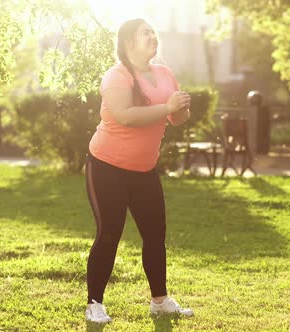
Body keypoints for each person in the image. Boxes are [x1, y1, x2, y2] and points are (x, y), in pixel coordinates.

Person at [84, 18, 193, 324]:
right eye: (146, 33)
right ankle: (94, 304)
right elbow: (125, 116)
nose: (153, 37)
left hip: (144, 170)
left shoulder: (164, 73)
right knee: (109, 235)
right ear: (129, 41)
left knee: (156, 235)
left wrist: (181, 108)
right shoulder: (116, 76)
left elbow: (176, 119)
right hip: (106, 168)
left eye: (154, 32)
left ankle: (159, 301)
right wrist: (169, 108)